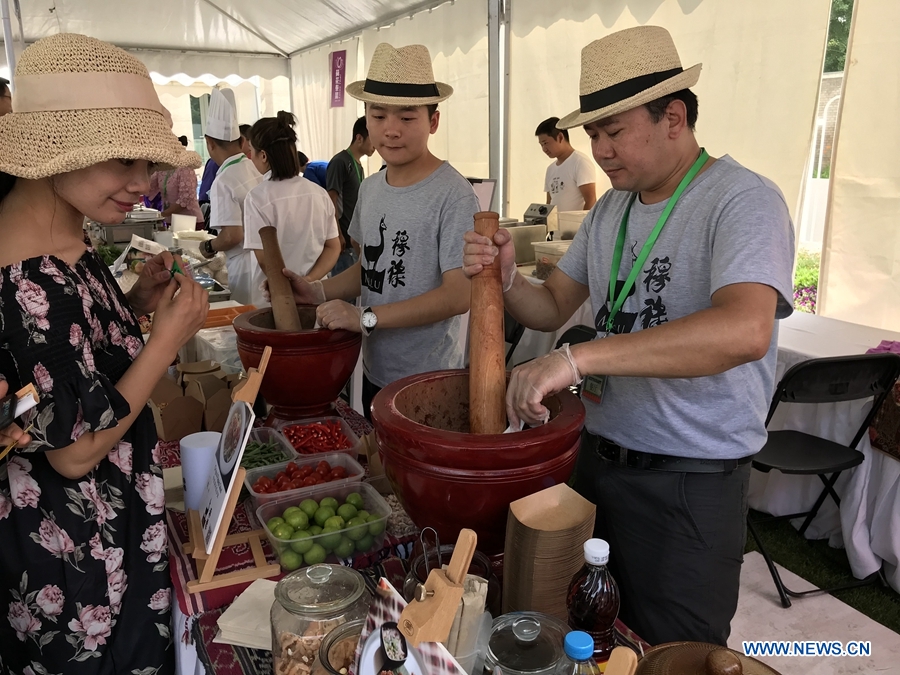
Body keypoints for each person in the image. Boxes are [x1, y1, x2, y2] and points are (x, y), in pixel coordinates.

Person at [463, 26, 795, 646]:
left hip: (689, 481)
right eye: (593, 134)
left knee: (672, 649)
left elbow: (745, 329)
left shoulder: (742, 200)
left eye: (614, 132)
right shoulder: (612, 210)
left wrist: (575, 360)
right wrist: (507, 278)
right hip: (597, 462)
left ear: (674, 117)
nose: (601, 151)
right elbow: (550, 306)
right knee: (583, 634)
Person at [0, 33, 209, 673]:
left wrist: (135, 304)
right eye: (123, 161)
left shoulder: (64, 231)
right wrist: (164, 342)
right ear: (55, 153)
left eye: (147, 163)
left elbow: (73, 360)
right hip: (77, 559)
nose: (142, 183)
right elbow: (75, 451)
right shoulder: (26, 270)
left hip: (106, 529)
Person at [272, 43, 477, 419]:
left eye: (407, 118)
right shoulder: (371, 188)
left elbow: (458, 296)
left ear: (433, 121)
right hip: (375, 368)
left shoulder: (454, 194)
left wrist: (365, 317)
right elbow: (369, 268)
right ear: (365, 119)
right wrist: (317, 291)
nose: (391, 130)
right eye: (378, 115)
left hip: (428, 381)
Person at [243, 111, 341, 308]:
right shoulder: (318, 193)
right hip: (314, 296)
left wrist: (289, 285)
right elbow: (333, 247)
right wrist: (308, 281)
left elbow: (265, 259)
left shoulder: (257, 197)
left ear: (263, 155)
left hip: (274, 299)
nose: (250, 157)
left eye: (251, 151)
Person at [198, 88, 263, 304]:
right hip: (266, 259)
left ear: (209, 143)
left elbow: (232, 236)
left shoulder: (224, 180)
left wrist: (209, 246)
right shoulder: (254, 168)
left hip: (245, 266)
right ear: (243, 142)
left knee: (248, 317)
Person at [326, 115, 376, 275]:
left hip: (353, 240)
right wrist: (337, 234)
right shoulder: (340, 162)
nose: (376, 146)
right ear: (359, 138)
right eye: (372, 140)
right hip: (343, 242)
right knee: (344, 288)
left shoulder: (358, 165)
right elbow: (331, 200)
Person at [536, 116, 596, 212]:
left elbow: (591, 200)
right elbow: (549, 203)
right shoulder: (550, 169)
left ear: (560, 137)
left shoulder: (580, 162)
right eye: (541, 145)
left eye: (545, 143)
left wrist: (583, 221)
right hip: (555, 222)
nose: (544, 149)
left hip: (575, 222)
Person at [147, 135, 204, 228]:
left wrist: (162, 214)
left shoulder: (185, 168)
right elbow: (149, 187)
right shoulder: (162, 169)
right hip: (171, 220)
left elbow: (185, 199)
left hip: (189, 221)